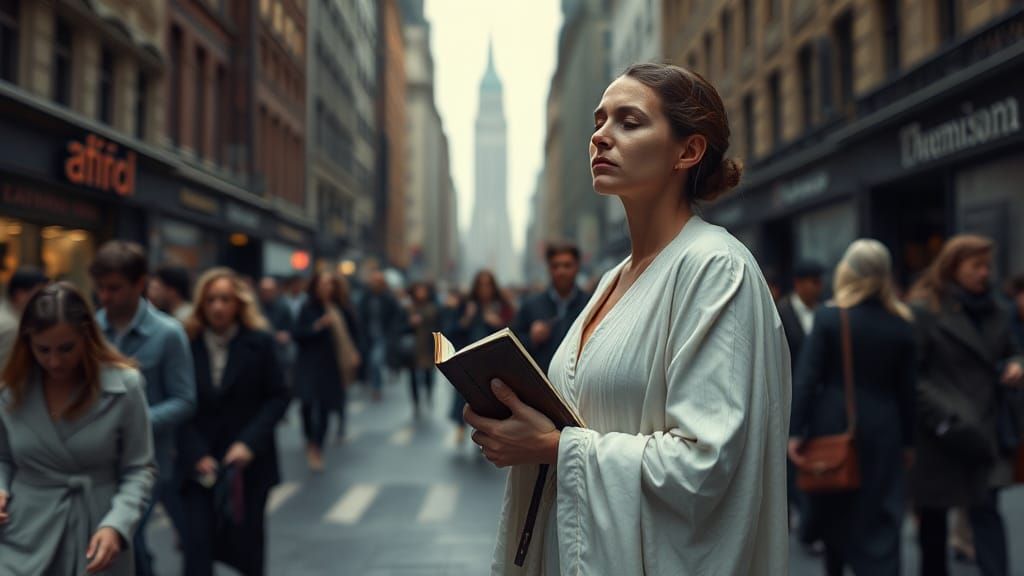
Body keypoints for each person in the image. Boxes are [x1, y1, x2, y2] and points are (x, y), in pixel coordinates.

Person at [464, 63, 789, 574]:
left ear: (688, 151)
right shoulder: (614, 278)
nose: (600, 137)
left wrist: (550, 447)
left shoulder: (715, 269)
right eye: (598, 121)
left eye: (629, 121)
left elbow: (706, 463)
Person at [0, 282, 157, 575]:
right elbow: (3, 458)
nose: (54, 361)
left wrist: (117, 525)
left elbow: (139, 468)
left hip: (97, 532)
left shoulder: (125, 386)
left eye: (66, 348)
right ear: (27, 343)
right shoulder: (11, 391)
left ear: (87, 337)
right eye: (42, 349)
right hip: (22, 536)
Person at [789, 240, 916, 576]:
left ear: (849, 271)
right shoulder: (901, 323)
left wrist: (794, 431)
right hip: (886, 429)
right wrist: (909, 443)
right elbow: (908, 391)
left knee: (836, 510)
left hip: (835, 426)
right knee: (881, 515)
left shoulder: (830, 318)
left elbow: (806, 379)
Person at [908, 235, 1023, 576]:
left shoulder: (998, 310)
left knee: (987, 513)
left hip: (984, 428)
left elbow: (1011, 349)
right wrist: (943, 414)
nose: (984, 273)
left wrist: (1017, 363)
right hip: (941, 430)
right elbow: (913, 374)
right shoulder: (924, 310)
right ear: (953, 267)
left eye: (987, 266)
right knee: (933, 525)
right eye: (976, 266)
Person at [91, 240, 196, 575]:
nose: (105, 297)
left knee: (126, 540)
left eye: (114, 288)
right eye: (101, 288)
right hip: (95, 463)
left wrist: (135, 423)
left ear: (140, 284)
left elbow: (184, 399)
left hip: (148, 463)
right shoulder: (90, 329)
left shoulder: (168, 334)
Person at [179, 267, 290, 576]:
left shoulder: (260, 342)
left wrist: (248, 443)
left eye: (225, 299)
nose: (218, 307)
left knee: (248, 550)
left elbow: (278, 397)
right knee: (197, 550)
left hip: (248, 465)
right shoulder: (187, 343)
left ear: (239, 303)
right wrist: (195, 453)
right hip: (199, 465)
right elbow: (178, 402)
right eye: (211, 299)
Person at [776, 259, 825, 551]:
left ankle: (809, 523)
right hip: (786, 398)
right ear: (799, 284)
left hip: (812, 402)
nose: (817, 288)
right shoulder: (781, 312)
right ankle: (801, 522)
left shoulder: (823, 313)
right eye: (812, 282)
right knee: (789, 466)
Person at [293, 272, 360, 470]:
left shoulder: (342, 309)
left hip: (331, 365)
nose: (326, 288)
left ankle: (317, 448)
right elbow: (298, 334)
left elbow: (354, 333)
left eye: (329, 284)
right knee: (306, 404)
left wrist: (355, 353)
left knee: (324, 408)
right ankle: (309, 439)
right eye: (322, 284)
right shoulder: (308, 308)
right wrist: (318, 326)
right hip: (308, 364)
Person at [451, 269, 515, 446]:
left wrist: (498, 323)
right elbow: (452, 330)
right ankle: (460, 427)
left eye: (488, 284)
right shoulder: (468, 304)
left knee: (489, 397)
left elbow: (514, 330)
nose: (484, 288)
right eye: (481, 284)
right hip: (468, 357)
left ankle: (486, 434)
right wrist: (467, 318)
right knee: (462, 394)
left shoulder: (501, 304)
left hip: (492, 360)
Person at [511, 243, 590, 373]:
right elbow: (511, 346)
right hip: (541, 384)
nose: (561, 271)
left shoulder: (591, 304)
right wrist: (531, 339)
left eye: (567, 265)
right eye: (555, 266)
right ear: (549, 269)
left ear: (577, 267)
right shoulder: (531, 305)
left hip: (580, 382)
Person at [357, 270, 404, 402]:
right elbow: (360, 316)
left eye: (378, 282)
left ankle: (376, 386)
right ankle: (372, 381)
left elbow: (396, 316)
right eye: (374, 282)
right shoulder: (366, 298)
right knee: (370, 360)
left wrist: (391, 333)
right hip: (369, 336)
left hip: (383, 337)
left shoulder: (388, 298)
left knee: (375, 361)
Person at [0, 267, 49, 369]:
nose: (44, 300)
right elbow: (4, 373)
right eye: (39, 294)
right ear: (20, 295)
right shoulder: (12, 328)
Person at [408, 281, 440, 416]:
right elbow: (399, 327)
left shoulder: (433, 308)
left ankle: (428, 395)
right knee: (413, 377)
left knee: (428, 374)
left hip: (428, 346)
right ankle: (416, 402)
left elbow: (438, 326)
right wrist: (410, 323)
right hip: (413, 347)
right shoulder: (409, 308)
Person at [258, 276, 295, 378]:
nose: (267, 293)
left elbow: (292, 328)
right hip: (259, 352)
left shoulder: (283, 307)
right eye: (264, 290)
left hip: (279, 353)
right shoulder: (255, 308)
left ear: (275, 291)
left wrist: (286, 335)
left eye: (270, 290)